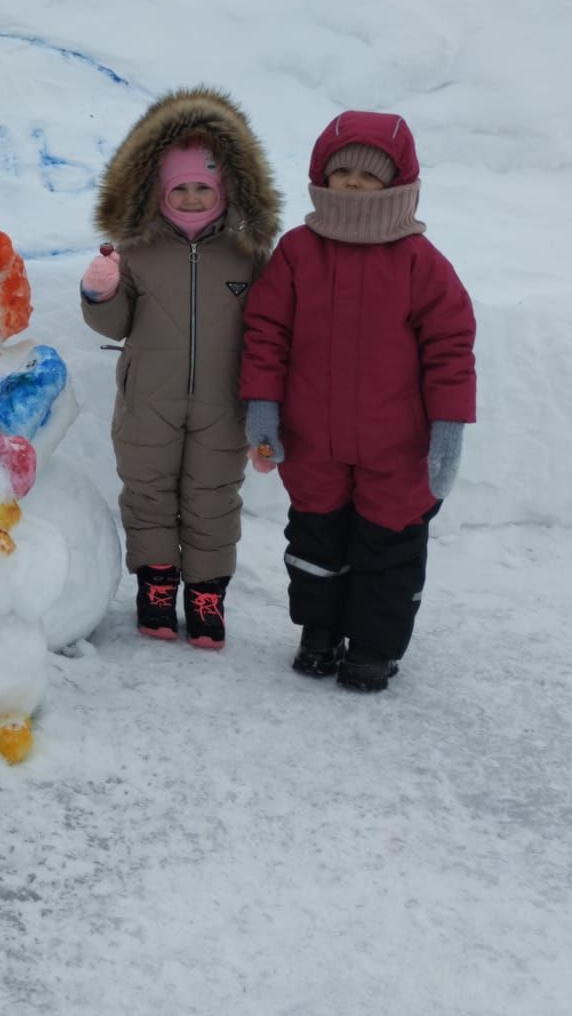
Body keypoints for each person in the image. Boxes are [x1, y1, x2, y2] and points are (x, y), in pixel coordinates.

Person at [240, 111, 475, 692]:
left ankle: (373, 647)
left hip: (397, 445)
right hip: (313, 439)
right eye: (341, 170)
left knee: (388, 548)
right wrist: (263, 407)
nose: (353, 182)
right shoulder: (297, 251)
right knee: (316, 543)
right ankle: (319, 633)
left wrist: (448, 427)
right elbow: (266, 334)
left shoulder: (421, 263)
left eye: (369, 174)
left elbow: (450, 348)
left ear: (397, 182)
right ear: (322, 175)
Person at [79, 88, 280, 648]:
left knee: (213, 496)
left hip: (224, 404)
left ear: (226, 191)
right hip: (148, 403)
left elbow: (268, 331)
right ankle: (157, 586)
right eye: (180, 188)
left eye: (203, 188)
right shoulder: (136, 251)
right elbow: (114, 326)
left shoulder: (248, 256)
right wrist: (101, 295)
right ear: (158, 191)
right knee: (148, 493)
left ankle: (207, 594)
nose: (191, 198)